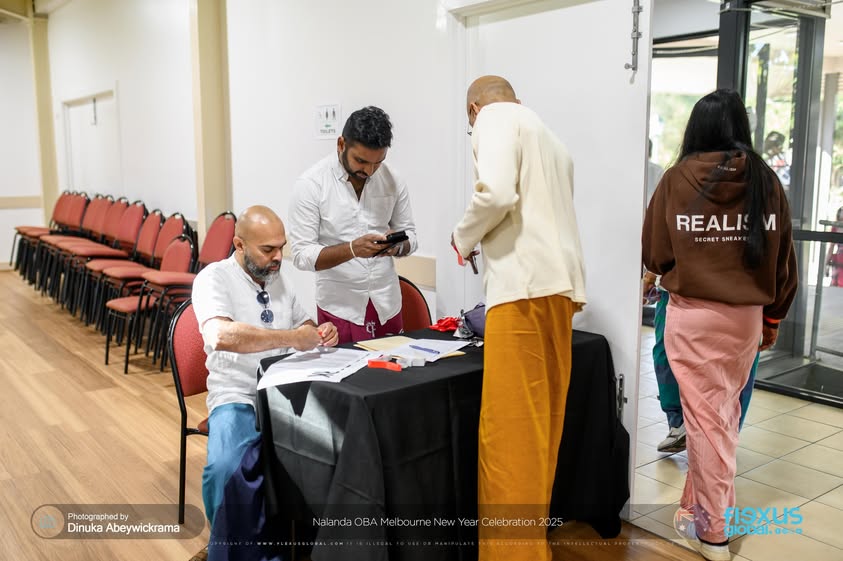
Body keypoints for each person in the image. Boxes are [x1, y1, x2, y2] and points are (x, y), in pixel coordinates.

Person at [643, 89, 797, 561]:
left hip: (692, 320)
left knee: (709, 424)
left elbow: (656, 255)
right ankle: (696, 509)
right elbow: (784, 262)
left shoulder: (676, 180)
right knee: (719, 419)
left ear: (696, 129)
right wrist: (772, 318)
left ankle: (714, 534)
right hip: (745, 322)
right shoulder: (767, 181)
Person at [451, 76, 587, 561]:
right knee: (541, 429)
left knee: (508, 437)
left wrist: (462, 236)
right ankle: (531, 550)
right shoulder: (547, 133)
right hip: (560, 291)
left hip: (523, 293)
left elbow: (497, 195)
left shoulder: (491, 118)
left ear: (473, 109)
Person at [191, 206, 339, 555]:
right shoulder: (213, 278)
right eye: (268, 250)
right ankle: (230, 549)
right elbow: (221, 335)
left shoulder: (278, 278)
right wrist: (290, 337)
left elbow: (303, 326)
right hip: (237, 394)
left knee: (333, 450)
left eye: (281, 247)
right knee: (227, 468)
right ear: (239, 245)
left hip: (286, 392)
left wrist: (318, 333)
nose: (278, 258)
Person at [288, 106, 418, 344]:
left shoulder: (392, 179)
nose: (369, 171)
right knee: (345, 380)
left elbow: (411, 234)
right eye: (361, 161)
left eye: (378, 162)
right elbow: (301, 255)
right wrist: (352, 249)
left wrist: (397, 246)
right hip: (340, 309)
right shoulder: (311, 185)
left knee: (394, 380)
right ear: (341, 144)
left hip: (386, 303)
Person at [826, 205, 843, 287]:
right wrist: (826, 264)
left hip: (838, 260)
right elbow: (831, 248)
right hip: (838, 261)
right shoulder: (835, 228)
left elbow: (831, 248)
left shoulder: (835, 228)